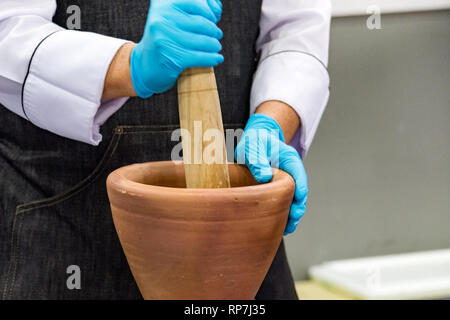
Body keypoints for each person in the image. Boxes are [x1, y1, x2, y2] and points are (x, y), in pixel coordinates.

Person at [0, 0, 331, 299]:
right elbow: (8, 31)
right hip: (67, 232)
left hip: (240, 245)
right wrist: (130, 66)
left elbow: (295, 30)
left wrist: (272, 122)